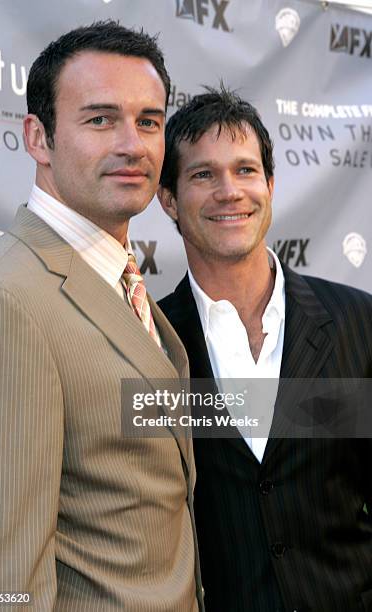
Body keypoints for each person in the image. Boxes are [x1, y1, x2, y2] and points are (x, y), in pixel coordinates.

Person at [0, 22, 204, 611]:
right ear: (37, 138)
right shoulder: (5, 299)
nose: (133, 143)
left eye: (149, 121)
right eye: (100, 119)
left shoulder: (116, 274)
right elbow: (1, 584)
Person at [157, 86, 372, 611]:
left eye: (246, 170)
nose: (229, 191)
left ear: (271, 186)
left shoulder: (358, 321)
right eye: (203, 174)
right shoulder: (149, 339)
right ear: (168, 200)